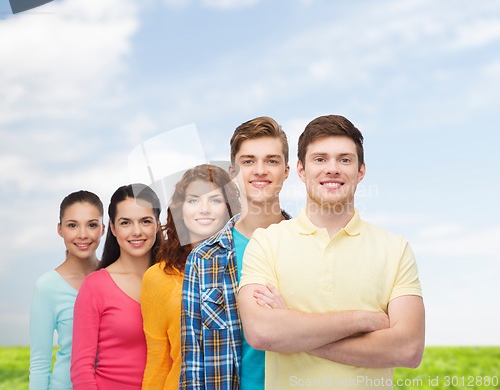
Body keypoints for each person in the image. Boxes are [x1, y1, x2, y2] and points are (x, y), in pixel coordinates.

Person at [238, 115, 425, 390]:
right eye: (320, 159)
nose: (333, 169)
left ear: (361, 171)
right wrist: (363, 320)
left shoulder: (396, 249)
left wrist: (293, 332)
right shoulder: (266, 243)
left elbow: (408, 349)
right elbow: (262, 333)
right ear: (301, 170)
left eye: (345, 160)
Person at [180, 116, 292, 390]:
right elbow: (193, 363)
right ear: (233, 172)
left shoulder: (312, 248)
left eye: (272, 161)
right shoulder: (204, 259)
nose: (260, 170)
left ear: (287, 170)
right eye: (248, 161)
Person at [141, 164, 240, 390]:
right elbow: (157, 360)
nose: (203, 209)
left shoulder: (246, 263)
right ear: (180, 209)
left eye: (214, 200)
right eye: (193, 200)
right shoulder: (157, 277)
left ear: (228, 208)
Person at [71, 184, 164, 390]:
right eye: (126, 222)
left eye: (145, 221)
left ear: (157, 224)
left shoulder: (175, 280)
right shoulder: (95, 287)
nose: (136, 231)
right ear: (112, 228)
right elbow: (81, 369)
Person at [29, 190, 105, 390]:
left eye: (92, 225)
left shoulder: (113, 277)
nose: (83, 235)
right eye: (72, 225)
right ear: (60, 229)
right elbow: (39, 364)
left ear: (104, 229)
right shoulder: (47, 287)